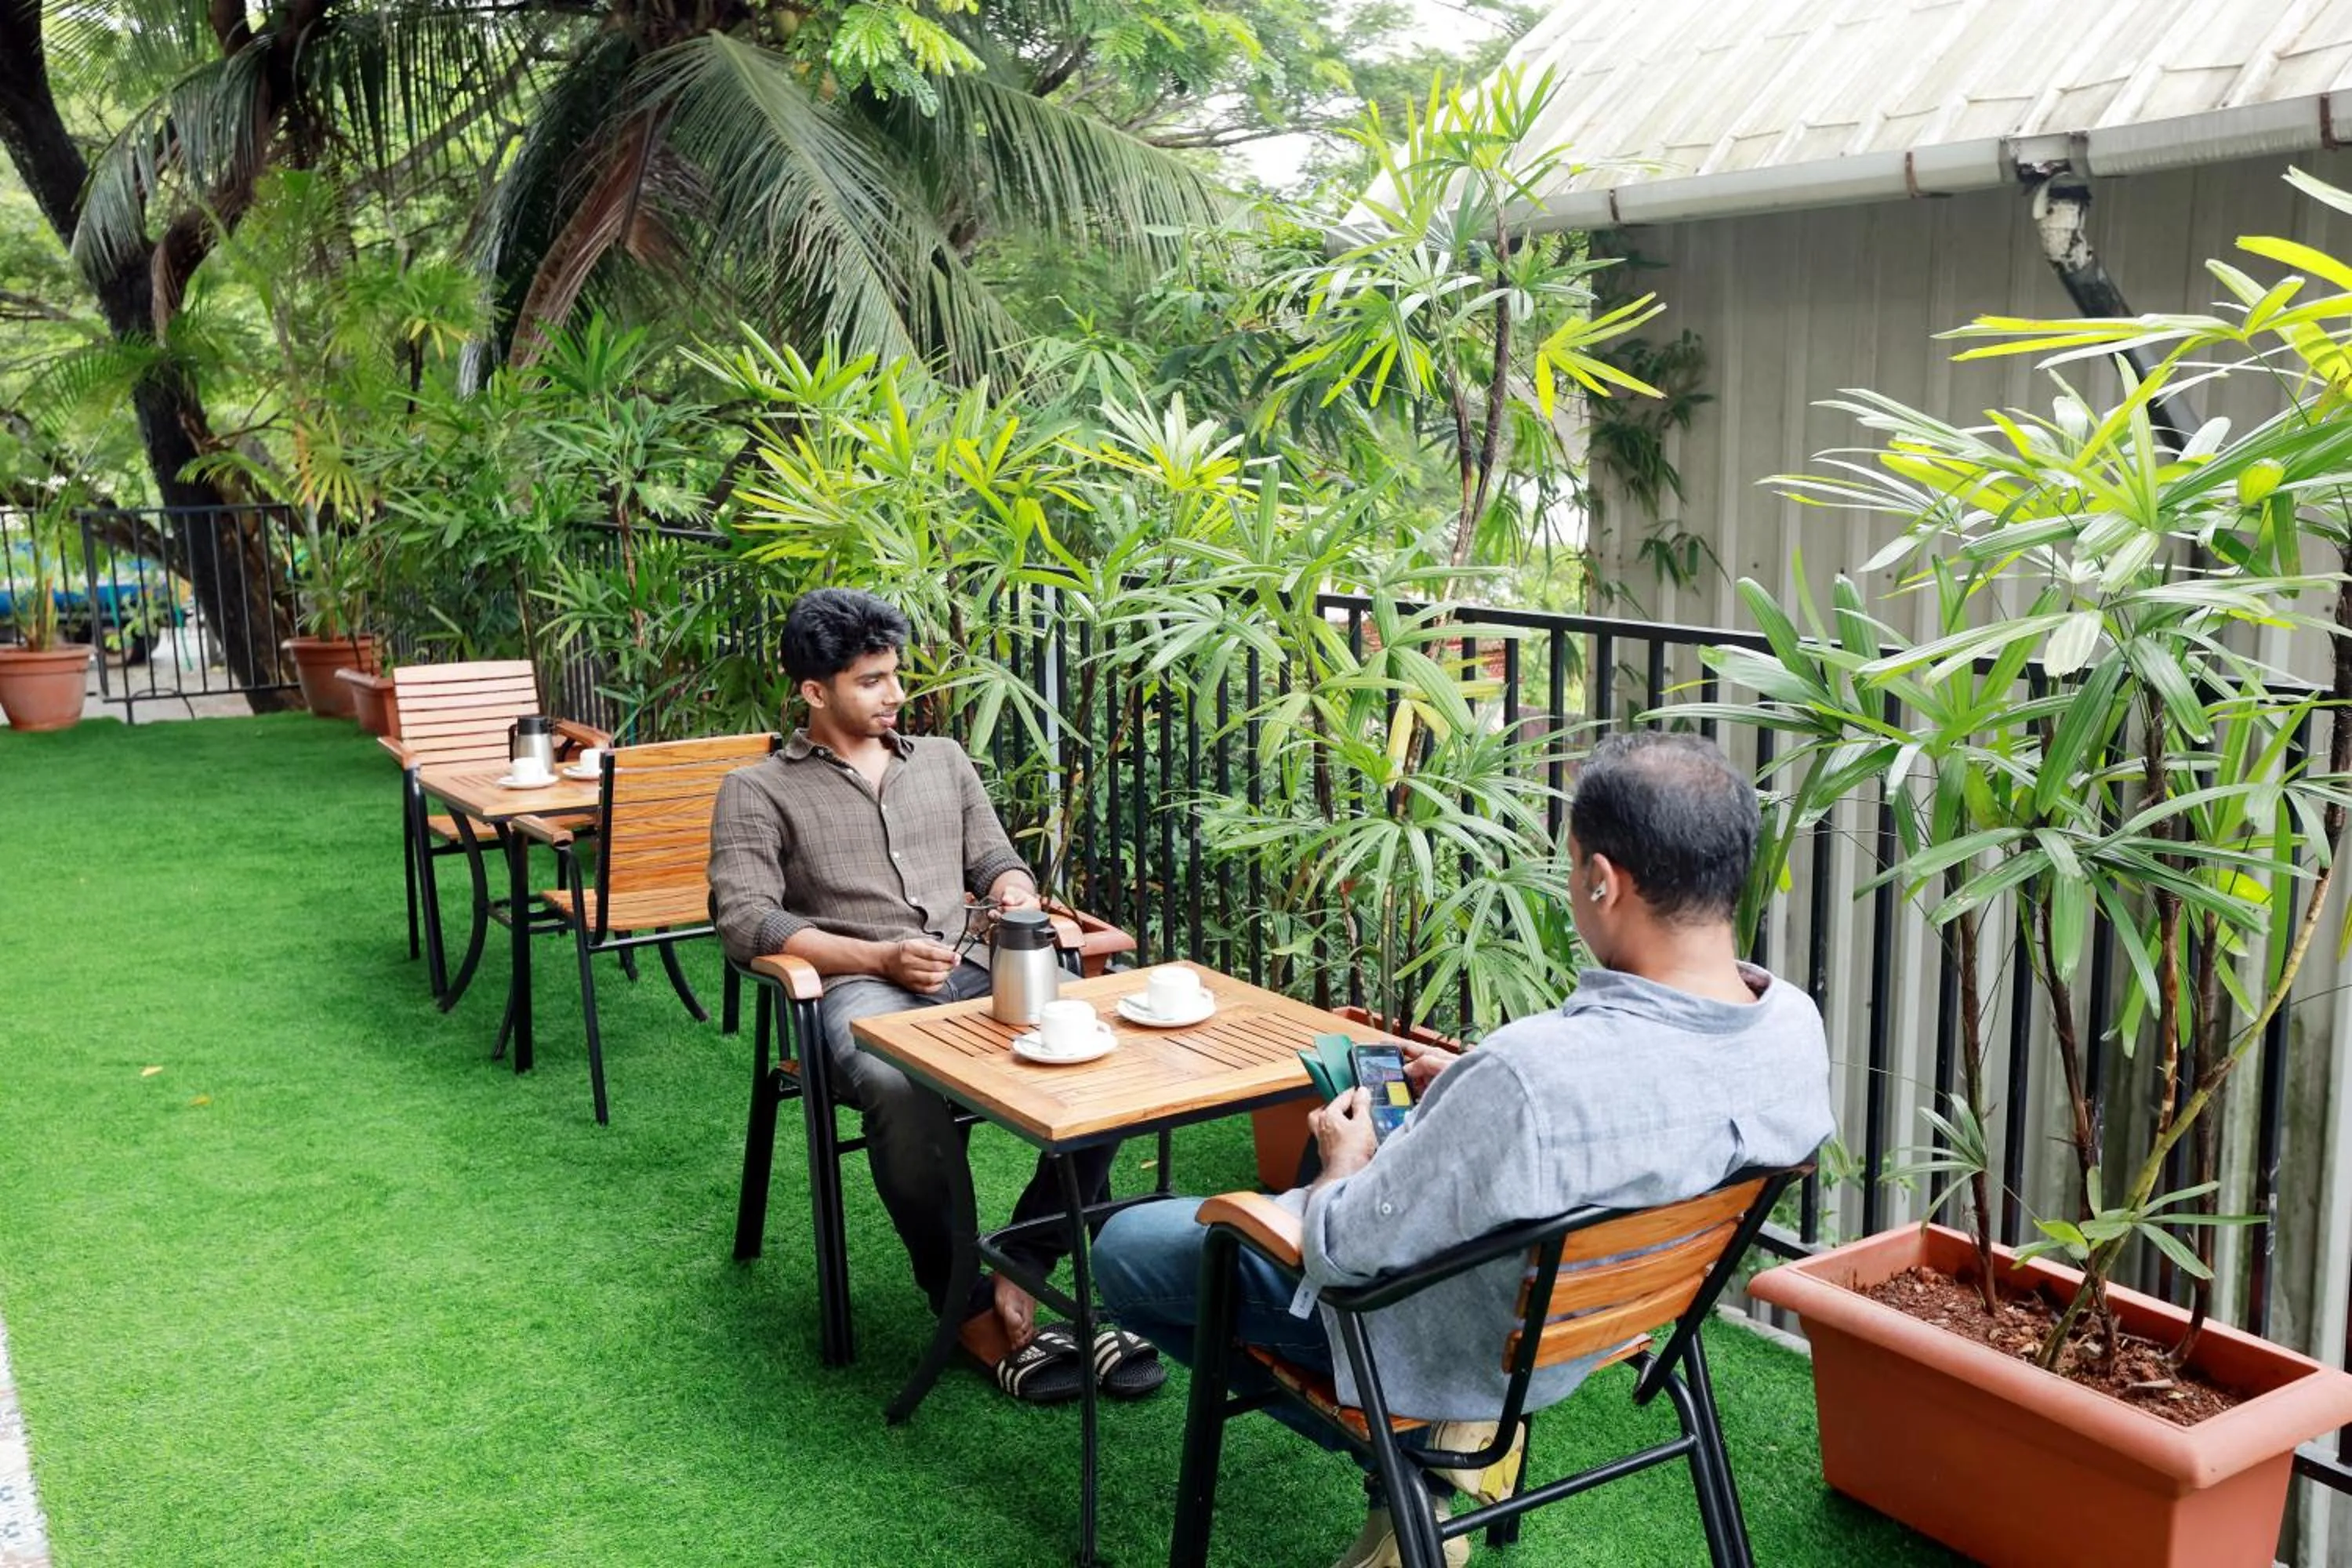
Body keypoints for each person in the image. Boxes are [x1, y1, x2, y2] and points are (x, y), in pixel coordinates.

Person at [1092, 731, 1835, 1567]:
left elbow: (1342, 1257)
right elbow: (1648, 1106)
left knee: (1124, 1250)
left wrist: (1344, 1155)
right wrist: (1470, 1081)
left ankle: (1412, 1457)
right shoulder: (1791, 1026)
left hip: (1465, 1338)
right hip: (1613, 1322)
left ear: (1602, 879)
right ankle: (1437, 1449)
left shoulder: (1534, 1073)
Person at [710, 588, 1162, 1405]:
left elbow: (995, 858)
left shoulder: (944, 760)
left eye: (895, 676)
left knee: (1107, 1043)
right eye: (872, 680)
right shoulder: (756, 788)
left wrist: (1018, 892)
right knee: (895, 1079)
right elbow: (745, 920)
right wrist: (875, 954)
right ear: (814, 691)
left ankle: (1026, 1256)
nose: (894, 694)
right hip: (851, 987)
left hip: (979, 965)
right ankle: (964, 1298)